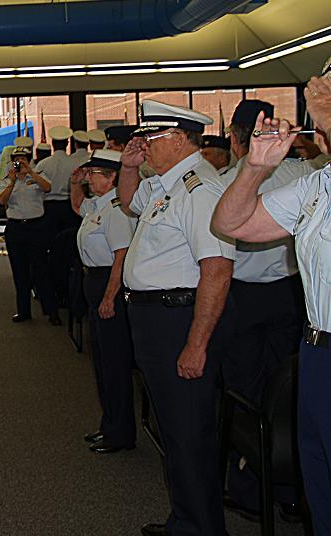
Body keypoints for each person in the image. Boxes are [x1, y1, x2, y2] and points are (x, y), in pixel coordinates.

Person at [211, 66, 331, 535]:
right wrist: (256, 169)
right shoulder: (317, 183)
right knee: (319, 483)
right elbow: (232, 224)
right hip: (315, 348)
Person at [117, 100, 234, 536]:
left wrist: (196, 344)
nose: (144, 144)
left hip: (179, 319)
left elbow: (217, 270)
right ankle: (187, 520)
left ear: (182, 139)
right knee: (175, 428)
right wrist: (128, 167)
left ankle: (201, 527)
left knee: (188, 433)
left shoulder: (200, 190)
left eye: (153, 137)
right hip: (156, 320)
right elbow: (129, 203)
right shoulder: (167, 184)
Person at [69, 149, 137, 455]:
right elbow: (77, 206)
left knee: (114, 364)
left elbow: (121, 257)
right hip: (94, 282)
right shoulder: (99, 205)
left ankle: (120, 432)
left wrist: (110, 297)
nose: (89, 178)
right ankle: (109, 425)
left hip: (109, 283)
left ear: (112, 177)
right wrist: (75, 183)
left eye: (94, 173)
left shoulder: (117, 210)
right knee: (102, 361)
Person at [0, 144, 53, 323]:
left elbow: (47, 188)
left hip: (37, 227)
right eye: (16, 160)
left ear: (29, 161)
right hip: (16, 229)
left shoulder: (37, 175)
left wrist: (30, 172)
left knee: (41, 270)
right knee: (19, 271)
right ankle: (23, 311)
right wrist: (13, 181)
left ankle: (50, 311)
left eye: (23, 159)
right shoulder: (8, 179)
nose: (19, 162)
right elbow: (2, 201)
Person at [35, 125, 82, 324]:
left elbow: (34, 185)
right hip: (70, 210)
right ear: (68, 143)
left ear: (53, 144)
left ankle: (52, 295)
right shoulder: (75, 163)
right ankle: (69, 295)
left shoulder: (44, 164)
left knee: (48, 253)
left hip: (49, 211)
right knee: (69, 253)